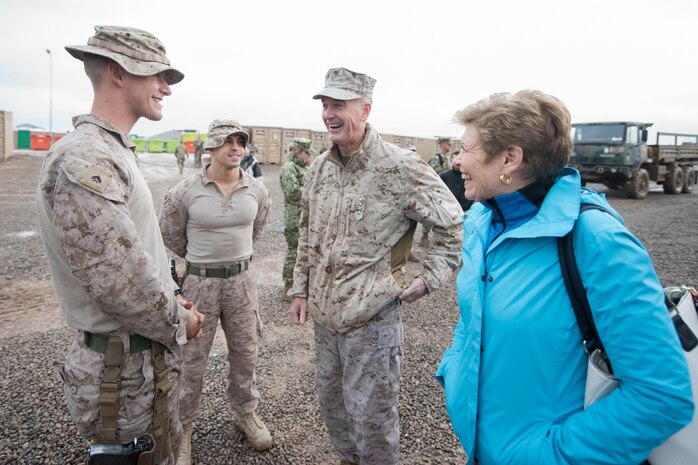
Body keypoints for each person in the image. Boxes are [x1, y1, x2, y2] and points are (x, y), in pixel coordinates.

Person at [436, 90, 694, 465]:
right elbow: (472, 319)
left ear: (510, 157)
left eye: (466, 149)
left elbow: (659, 396)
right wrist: (454, 370)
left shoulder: (598, 241)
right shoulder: (482, 221)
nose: (456, 160)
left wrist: (547, 455)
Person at [35, 25, 204, 465]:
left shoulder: (112, 150)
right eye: (157, 74)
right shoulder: (87, 158)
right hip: (123, 374)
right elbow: (119, 282)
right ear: (117, 72)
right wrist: (179, 322)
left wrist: (174, 299)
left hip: (137, 362)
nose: (166, 87)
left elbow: (137, 254)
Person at [288, 67, 463, 465]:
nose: (329, 114)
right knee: (333, 408)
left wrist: (429, 277)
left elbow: (451, 223)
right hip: (325, 318)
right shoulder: (319, 168)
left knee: (372, 421)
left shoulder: (401, 166)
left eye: (339, 105)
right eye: (326, 105)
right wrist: (301, 288)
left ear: (365, 109)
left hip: (372, 321)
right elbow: (306, 231)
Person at [159, 119, 273, 461]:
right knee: (191, 360)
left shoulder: (258, 190)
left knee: (246, 352)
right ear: (211, 147)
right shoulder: (184, 191)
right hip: (200, 282)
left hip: (241, 281)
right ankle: (184, 429)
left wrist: (232, 258)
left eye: (241, 141)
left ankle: (245, 413)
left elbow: (257, 230)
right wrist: (205, 260)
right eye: (227, 141)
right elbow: (171, 235)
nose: (236, 147)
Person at [279, 137, 315, 302]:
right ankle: (289, 286)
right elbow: (292, 192)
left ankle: (301, 287)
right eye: (307, 153)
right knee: (294, 253)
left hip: (306, 217)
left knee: (305, 253)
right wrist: (315, 192)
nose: (309, 157)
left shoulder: (303, 168)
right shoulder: (289, 168)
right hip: (295, 218)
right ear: (300, 152)